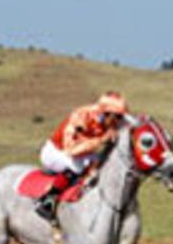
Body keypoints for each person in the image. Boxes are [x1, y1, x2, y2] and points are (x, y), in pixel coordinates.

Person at [34, 91, 129, 222]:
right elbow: (71, 150)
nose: (119, 121)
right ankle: (46, 201)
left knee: (103, 164)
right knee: (78, 166)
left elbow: (130, 126)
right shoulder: (81, 116)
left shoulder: (112, 120)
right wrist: (101, 140)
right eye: (117, 117)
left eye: (121, 117)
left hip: (83, 154)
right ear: (106, 113)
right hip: (57, 152)